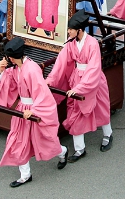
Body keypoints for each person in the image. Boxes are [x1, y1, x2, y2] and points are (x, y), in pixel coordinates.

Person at [0, 38, 68, 187]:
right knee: (18, 139)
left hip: (35, 108)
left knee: (45, 140)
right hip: (22, 108)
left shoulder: (32, 69)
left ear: (13, 57)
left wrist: (34, 110)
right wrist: (1, 71)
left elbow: (43, 95)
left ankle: (62, 151)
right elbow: (7, 84)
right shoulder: (15, 68)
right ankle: (25, 175)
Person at [45, 10, 113, 161]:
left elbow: (94, 68)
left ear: (80, 30)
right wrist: (51, 79)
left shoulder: (93, 44)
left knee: (100, 108)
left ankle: (108, 134)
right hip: (77, 79)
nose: (68, 31)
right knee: (75, 112)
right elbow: (61, 63)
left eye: (70, 29)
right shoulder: (70, 44)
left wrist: (79, 88)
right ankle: (79, 148)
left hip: (94, 81)